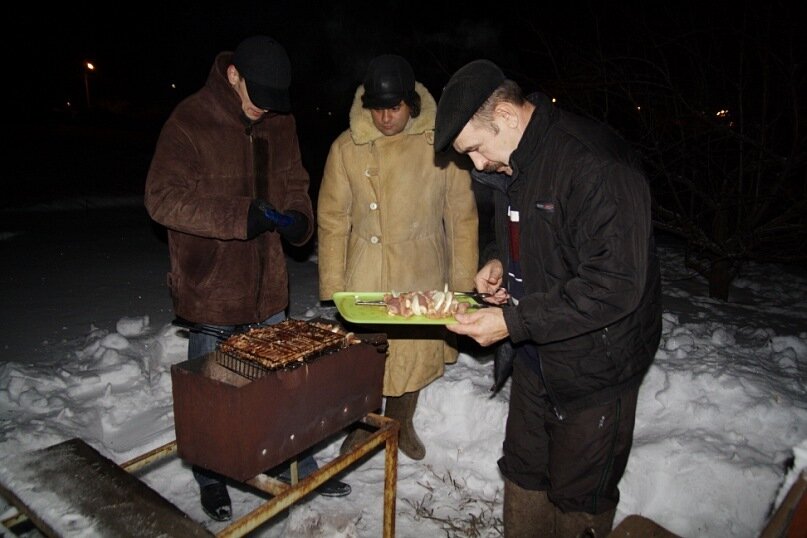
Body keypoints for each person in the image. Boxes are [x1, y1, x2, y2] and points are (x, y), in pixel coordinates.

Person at [434, 59, 662, 537]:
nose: (476, 166)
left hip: (596, 367)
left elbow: (614, 285)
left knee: (579, 495)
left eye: (475, 150)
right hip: (538, 356)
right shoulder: (514, 162)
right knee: (524, 472)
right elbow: (525, 234)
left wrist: (511, 324)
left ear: (509, 117)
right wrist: (498, 260)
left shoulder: (594, 164)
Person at [144, 35, 351, 522]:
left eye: (275, 102)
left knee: (280, 388)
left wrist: (300, 218)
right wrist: (238, 218)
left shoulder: (279, 120)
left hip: (269, 287)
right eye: (259, 99)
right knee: (213, 400)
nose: (266, 111)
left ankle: (293, 460)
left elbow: (297, 179)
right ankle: (212, 477)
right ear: (233, 75)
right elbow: (161, 199)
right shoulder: (189, 121)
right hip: (212, 289)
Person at [317, 54, 478, 460]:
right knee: (368, 358)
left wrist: (462, 286)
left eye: (395, 108)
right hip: (366, 273)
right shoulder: (346, 149)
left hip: (420, 268)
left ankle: (402, 424)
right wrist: (334, 286)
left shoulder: (440, 146)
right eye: (377, 109)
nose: (385, 118)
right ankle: (363, 428)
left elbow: (461, 216)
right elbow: (333, 219)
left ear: (413, 105)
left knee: (412, 358)